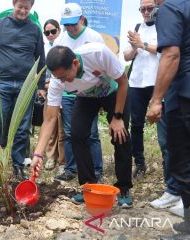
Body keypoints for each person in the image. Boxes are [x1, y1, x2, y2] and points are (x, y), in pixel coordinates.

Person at [31, 44, 133, 208]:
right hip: (86, 97)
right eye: (58, 78)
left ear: (75, 64)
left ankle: (124, 188)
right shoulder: (58, 80)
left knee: (120, 135)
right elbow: (49, 119)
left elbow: (123, 82)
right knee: (77, 135)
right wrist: (38, 154)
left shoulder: (97, 53)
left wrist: (118, 117)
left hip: (114, 93)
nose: (62, 82)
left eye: (64, 77)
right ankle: (88, 185)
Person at [147, 0, 190, 239]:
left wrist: (156, 100)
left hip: (188, 95)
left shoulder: (172, 7)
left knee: (188, 166)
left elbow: (171, 55)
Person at [0, 0, 46, 180]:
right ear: (14, 4)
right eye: (20, 7)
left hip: (25, 86)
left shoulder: (35, 30)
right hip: (2, 83)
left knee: (22, 128)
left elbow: (41, 59)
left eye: (26, 8)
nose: (22, 11)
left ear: (31, 8)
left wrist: (41, 86)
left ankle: (18, 166)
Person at [52, 3, 104, 190]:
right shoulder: (60, 41)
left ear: (81, 19)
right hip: (68, 93)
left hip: (91, 93)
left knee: (91, 133)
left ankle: (96, 169)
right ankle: (71, 167)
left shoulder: (94, 37)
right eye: (66, 24)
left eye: (73, 23)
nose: (70, 28)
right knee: (70, 133)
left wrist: (100, 97)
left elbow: (103, 66)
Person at [123, 0, 159, 180]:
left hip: (157, 83)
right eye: (142, 9)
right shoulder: (137, 27)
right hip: (137, 82)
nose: (146, 12)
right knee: (136, 125)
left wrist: (142, 44)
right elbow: (127, 56)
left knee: (164, 124)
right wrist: (135, 46)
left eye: (149, 8)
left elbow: (164, 50)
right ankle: (139, 163)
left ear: (156, 7)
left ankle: (169, 163)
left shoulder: (164, 26)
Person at [42, 19, 65, 170]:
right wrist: (44, 86)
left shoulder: (64, 47)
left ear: (59, 30)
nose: (50, 35)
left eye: (53, 31)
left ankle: (63, 161)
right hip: (48, 91)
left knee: (62, 128)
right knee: (50, 124)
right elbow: (40, 71)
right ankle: (51, 157)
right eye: (47, 32)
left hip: (64, 90)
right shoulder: (43, 48)